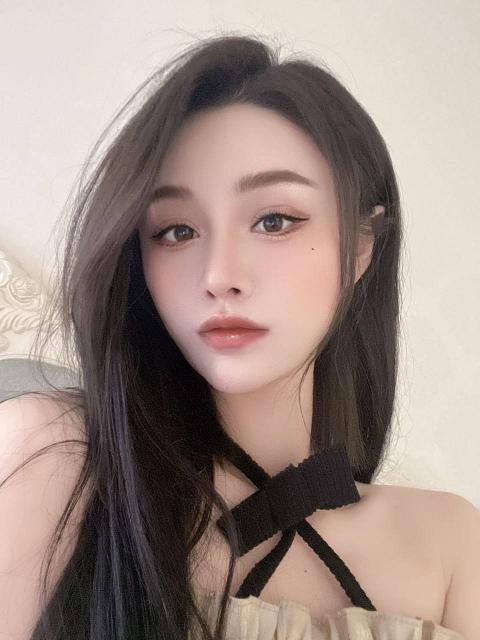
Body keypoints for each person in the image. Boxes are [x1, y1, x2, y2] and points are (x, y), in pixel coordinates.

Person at [0, 32, 477, 640]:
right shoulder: (57, 459)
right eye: (176, 231)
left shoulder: (449, 545)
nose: (219, 276)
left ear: (361, 247)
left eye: (274, 220)